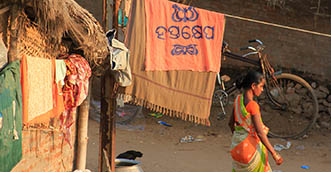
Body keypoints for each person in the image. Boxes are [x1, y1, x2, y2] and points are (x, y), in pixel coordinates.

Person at [228, 70, 283, 172]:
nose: (262, 90)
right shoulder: (253, 106)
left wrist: (240, 140)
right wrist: (274, 154)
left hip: (237, 148)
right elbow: (260, 133)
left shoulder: (237, 100)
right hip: (250, 152)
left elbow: (231, 123)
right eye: (261, 86)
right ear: (253, 86)